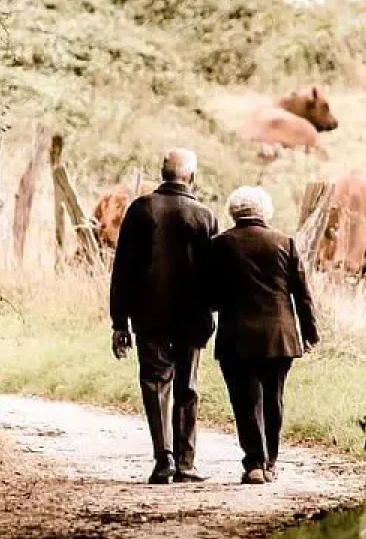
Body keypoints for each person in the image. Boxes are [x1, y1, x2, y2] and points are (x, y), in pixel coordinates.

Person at [109, 148, 219, 484]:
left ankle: (164, 458)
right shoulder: (204, 216)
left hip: (149, 315)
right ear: (192, 177)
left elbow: (123, 269)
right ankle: (186, 462)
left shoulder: (141, 209)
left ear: (162, 174)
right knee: (187, 386)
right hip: (193, 317)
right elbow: (214, 274)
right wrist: (213, 312)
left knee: (155, 383)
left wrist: (119, 321)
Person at [209, 186, 320, 485]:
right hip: (279, 335)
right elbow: (302, 294)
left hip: (236, 336)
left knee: (244, 401)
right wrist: (309, 332)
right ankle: (270, 462)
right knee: (273, 398)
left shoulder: (219, 245)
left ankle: (254, 463)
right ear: (265, 212)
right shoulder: (285, 243)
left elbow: (210, 293)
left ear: (233, 212)